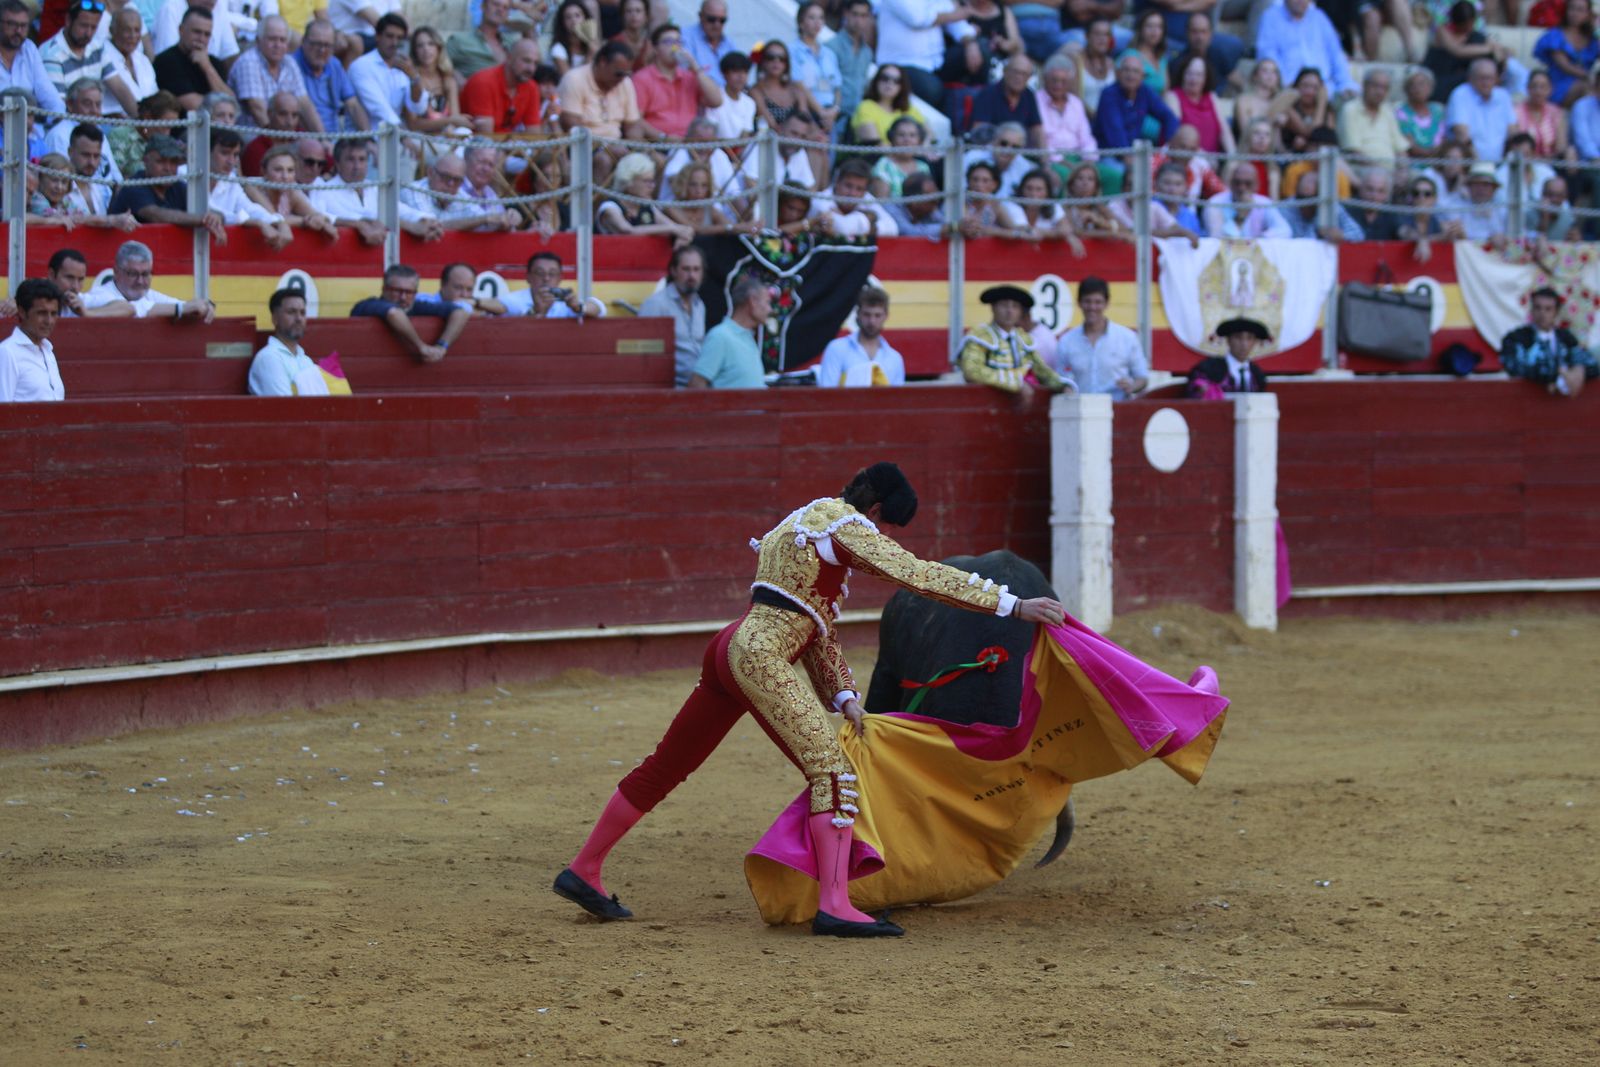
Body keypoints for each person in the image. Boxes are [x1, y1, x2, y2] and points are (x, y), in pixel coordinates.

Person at [553, 462, 1068, 935]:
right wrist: (1010, 604)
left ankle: (585, 869)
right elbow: (917, 575)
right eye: (885, 527)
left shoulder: (797, 525)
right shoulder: (847, 528)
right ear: (876, 512)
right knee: (835, 773)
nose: (882, 537)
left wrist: (842, 693)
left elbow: (809, 623)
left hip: (734, 645)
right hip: (760, 655)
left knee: (665, 766)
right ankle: (836, 905)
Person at [311, 137, 441, 244]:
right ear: (337, 164)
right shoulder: (324, 189)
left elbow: (403, 211)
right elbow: (322, 217)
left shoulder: (375, 189)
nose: (357, 166)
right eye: (350, 160)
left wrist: (425, 220)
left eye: (362, 160)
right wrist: (360, 224)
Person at [106, 134, 227, 242]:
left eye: (173, 162)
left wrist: (215, 217)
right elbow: (156, 214)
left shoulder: (178, 186)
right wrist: (204, 219)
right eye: (161, 161)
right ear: (145, 160)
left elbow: (212, 211)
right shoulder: (133, 186)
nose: (168, 168)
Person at [959, 284, 1071, 394]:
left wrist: (1063, 386)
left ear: (1020, 312)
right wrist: (1016, 384)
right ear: (993, 308)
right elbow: (972, 371)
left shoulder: (1024, 340)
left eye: (1015, 306)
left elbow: (1042, 371)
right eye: (1004, 305)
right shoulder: (979, 336)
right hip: (986, 405)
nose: (1009, 311)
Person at [350, 263, 471, 364]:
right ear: (384, 289)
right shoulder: (368, 305)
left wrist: (442, 346)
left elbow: (460, 312)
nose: (403, 297)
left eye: (409, 292)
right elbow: (393, 313)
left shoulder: (416, 305)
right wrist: (421, 346)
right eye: (397, 291)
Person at [558, 40, 642, 183]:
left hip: (618, 146)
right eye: (618, 73)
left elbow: (633, 125)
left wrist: (634, 149)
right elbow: (573, 127)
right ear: (602, 62)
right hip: (583, 148)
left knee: (651, 161)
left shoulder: (625, 83)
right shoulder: (574, 79)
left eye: (626, 74)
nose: (622, 79)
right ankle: (599, 205)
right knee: (604, 161)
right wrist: (607, 147)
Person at [1052, 276, 1146, 398]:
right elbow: (1060, 379)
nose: (1092, 307)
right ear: (1079, 303)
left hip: (1117, 409)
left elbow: (1142, 377)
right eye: (1088, 301)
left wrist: (1132, 386)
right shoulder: (1066, 341)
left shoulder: (1127, 338)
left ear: (1106, 303)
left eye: (1098, 302)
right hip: (1080, 410)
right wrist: (1065, 388)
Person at [874, 0, 976, 112]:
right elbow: (917, 19)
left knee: (980, 50)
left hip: (936, 62)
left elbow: (959, 26)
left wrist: (971, 43)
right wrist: (956, 14)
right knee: (932, 89)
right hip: (901, 65)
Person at [228, 14, 323, 130]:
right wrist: (279, 142)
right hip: (253, 137)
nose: (277, 45)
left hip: (283, 135)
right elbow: (258, 110)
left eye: (282, 40)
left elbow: (305, 105)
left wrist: (323, 138)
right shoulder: (248, 62)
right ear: (258, 41)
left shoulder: (290, 63)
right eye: (272, 39)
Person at [81, 239, 215, 320]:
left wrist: (206, 305)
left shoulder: (149, 295)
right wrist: (182, 309)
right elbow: (133, 309)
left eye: (146, 274)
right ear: (116, 272)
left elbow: (185, 305)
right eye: (133, 274)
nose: (140, 281)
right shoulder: (100, 295)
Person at [1499, 288, 1597, 397]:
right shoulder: (1516, 338)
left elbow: (1591, 364)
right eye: (1538, 308)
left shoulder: (1565, 337)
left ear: (1556, 312)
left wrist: (1579, 370)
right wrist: (1559, 374)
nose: (1542, 313)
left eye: (1548, 309)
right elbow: (1514, 367)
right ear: (1531, 310)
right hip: (1527, 401)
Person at [633, 22, 723, 142]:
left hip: (692, 143)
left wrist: (696, 68)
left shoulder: (690, 76)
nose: (675, 47)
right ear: (655, 49)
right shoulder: (642, 78)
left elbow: (716, 101)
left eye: (678, 42)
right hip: (659, 145)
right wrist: (663, 137)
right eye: (669, 42)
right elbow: (635, 119)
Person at [206, 127, 293, 248]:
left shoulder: (230, 178)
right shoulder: (185, 175)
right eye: (225, 153)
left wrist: (278, 222)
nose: (231, 161)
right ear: (207, 152)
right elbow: (209, 211)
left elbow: (249, 208)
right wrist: (257, 223)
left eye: (235, 155)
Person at [1254, 0, 1355, 99]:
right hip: (1290, 89)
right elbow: (1268, 55)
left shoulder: (1319, 17)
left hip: (1325, 88)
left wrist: (1346, 84)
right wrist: (1284, 84)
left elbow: (1336, 55)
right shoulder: (1271, 17)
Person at [639, 245, 707, 388]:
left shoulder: (699, 304)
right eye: (686, 269)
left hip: (699, 386)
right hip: (670, 389)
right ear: (673, 271)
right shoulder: (656, 303)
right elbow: (644, 355)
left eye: (696, 269)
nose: (692, 276)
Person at [687, 275, 769, 389]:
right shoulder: (720, 336)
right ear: (753, 301)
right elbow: (696, 386)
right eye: (767, 302)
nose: (770, 309)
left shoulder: (747, 337)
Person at [349, 12, 428, 129]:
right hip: (365, 139)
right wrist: (403, 137)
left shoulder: (404, 67)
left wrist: (413, 77)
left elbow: (418, 108)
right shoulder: (361, 65)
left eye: (399, 38)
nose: (395, 43)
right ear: (378, 36)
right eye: (390, 36)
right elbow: (379, 109)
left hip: (396, 136)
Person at [247, 287, 329, 396]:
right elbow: (286, 409)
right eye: (291, 312)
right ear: (275, 318)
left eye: (302, 313)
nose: (299, 318)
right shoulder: (269, 358)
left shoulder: (306, 360)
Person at [816, 287, 904, 388]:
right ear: (858, 314)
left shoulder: (895, 359)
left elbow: (897, 401)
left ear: (886, 316)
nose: (872, 321)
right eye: (867, 314)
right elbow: (827, 396)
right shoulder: (836, 349)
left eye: (877, 315)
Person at [294, 17, 369, 133]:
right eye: (316, 44)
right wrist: (323, 141)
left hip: (334, 136)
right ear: (303, 41)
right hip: (304, 137)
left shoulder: (334, 64)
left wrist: (368, 137)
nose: (322, 50)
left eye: (327, 45)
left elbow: (353, 105)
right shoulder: (291, 65)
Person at [1092, 52, 1179, 151]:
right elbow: (1116, 133)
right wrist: (1130, 159)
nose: (1131, 75)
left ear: (1142, 76)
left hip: (1133, 151)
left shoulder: (1145, 91)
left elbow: (1168, 116)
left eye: (1135, 71)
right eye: (1126, 70)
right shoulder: (1109, 94)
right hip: (1108, 153)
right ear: (1118, 74)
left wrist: (1169, 143)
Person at [248, 143, 339, 236]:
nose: (285, 176)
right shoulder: (251, 187)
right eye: (278, 170)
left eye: (290, 170)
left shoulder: (291, 191)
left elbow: (316, 214)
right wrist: (305, 221)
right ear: (264, 171)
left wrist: (322, 221)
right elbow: (273, 219)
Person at [153, 5, 231, 111]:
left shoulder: (215, 63)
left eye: (207, 34)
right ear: (181, 30)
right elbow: (194, 106)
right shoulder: (166, 61)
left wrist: (207, 68)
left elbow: (232, 106)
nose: (201, 39)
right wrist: (222, 109)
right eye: (197, 32)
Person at [0, 279, 66, 403]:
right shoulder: (7, 353)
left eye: (54, 313)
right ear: (22, 312)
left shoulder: (48, 351)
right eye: (42, 313)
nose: (49, 321)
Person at [460, 36, 542, 133]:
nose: (531, 69)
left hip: (505, 144)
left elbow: (534, 135)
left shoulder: (531, 87)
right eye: (526, 61)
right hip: (471, 144)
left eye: (535, 63)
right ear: (509, 58)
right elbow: (485, 135)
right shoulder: (483, 82)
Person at [0, 0, 66, 113]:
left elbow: (49, 96)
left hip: (29, 123)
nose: (18, 31)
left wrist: (58, 118)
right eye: (12, 24)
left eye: (23, 25)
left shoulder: (29, 49)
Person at [1163, 51, 1233, 155]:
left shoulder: (1212, 97)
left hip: (1211, 161)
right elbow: (1176, 133)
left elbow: (1225, 132)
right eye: (1189, 73)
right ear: (1182, 75)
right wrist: (1202, 157)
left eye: (1199, 74)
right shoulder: (1173, 97)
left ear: (1206, 78)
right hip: (1183, 158)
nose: (1193, 79)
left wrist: (1233, 157)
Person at [809, 156, 899, 237]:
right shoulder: (820, 201)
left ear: (865, 191)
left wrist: (863, 222)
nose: (852, 193)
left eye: (859, 189)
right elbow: (842, 229)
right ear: (837, 182)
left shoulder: (866, 197)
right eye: (848, 186)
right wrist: (867, 218)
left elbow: (892, 228)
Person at [1447, 56, 1513, 162]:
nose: (1486, 83)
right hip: (1469, 162)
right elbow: (1461, 133)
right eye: (1482, 78)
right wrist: (1479, 163)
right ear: (1470, 78)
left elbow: (1513, 130)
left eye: (1490, 78)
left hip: (1502, 162)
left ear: (1497, 79)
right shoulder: (1460, 94)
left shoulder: (1503, 96)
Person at [39, 0, 106, 104]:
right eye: (83, 26)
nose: (88, 33)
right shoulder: (51, 55)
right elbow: (58, 110)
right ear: (68, 20)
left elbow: (120, 88)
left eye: (93, 27)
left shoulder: (97, 46)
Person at [503, 251, 607, 318]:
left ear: (560, 278)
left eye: (552, 274)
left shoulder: (566, 300)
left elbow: (599, 308)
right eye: (540, 273)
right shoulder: (514, 300)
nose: (546, 278)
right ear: (528, 277)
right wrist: (537, 312)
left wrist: (577, 307)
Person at [1533, 0, 1597, 107]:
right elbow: (1564, 65)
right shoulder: (1556, 35)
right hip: (1559, 86)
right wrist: (1590, 76)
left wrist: (1596, 29)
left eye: (1580, 10)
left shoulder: (1592, 39)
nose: (1575, 13)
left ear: (1588, 14)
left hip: (1588, 82)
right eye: (1572, 8)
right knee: (1586, 87)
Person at [790, 2, 841, 133]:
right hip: (808, 114)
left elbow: (837, 87)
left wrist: (834, 110)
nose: (817, 22)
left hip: (830, 115)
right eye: (812, 18)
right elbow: (798, 84)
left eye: (821, 18)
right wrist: (821, 112)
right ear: (801, 23)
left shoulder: (829, 54)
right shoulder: (792, 50)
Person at [1187, 317, 1270, 396]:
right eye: (1238, 337)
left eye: (1249, 338)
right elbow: (1196, 391)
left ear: (1255, 342)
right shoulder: (1208, 368)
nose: (1244, 344)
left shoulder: (1257, 374)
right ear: (1229, 340)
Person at [1204, 164, 1291, 239]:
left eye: (1247, 183)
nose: (1242, 188)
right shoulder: (1215, 203)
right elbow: (1217, 238)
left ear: (1256, 185)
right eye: (1237, 183)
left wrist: (1260, 239)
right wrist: (1240, 218)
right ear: (1230, 183)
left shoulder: (1264, 203)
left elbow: (1285, 231)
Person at [100, 6, 157, 118]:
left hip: (146, 123)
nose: (132, 36)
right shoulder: (102, 55)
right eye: (127, 30)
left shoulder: (142, 60)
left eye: (137, 30)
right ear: (112, 31)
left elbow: (154, 95)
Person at [852, 62, 926, 145]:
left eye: (896, 81)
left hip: (910, 156)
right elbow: (875, 143)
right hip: (876, 157)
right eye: (885, 78)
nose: (890, 83)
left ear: (902, 86)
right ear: (876, 81)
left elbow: (928, 134)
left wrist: (927, 150)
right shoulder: (866, 106)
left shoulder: (909, 109)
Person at [448, 0, 521, 80]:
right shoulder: (459, 40)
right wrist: (458, 80)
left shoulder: (513, 44)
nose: (500, 9)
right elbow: (440, 64)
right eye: (496, 4)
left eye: (505, 8)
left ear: (507, 15)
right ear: (483, 6)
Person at [827, 0, 874, 117]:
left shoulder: (867, 52)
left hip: (855, 116)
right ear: (846, 14)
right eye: (855, 14)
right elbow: (825, 84)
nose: (859, 21)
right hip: (832, 113)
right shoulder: (832, 46)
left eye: (863, 16)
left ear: (868, 18)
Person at [703, 50, 755, 139]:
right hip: (716, 149)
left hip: (741, 149)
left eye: (745, 72)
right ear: (724, 74)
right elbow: (711, 133)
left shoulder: (750, 103)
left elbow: (745, 133)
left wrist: (738, 151)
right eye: (736, 71)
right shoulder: (715, 98)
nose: (741, 76)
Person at [1397, 66, 1447, 159]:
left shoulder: (1438, 110)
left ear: (1431, 87)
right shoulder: (1401, 112)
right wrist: (1430, 155)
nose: (1417, 89)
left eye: (1422, 84)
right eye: (1413, 85)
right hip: (1414, 162)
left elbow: (1444, 138)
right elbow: (1408, 144)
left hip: (1439, 161)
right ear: (1406, 89)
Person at [681, 0, 734, 86]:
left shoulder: (729, 44)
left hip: (725, 96)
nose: (717, 24)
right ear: (700, 16)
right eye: (711, 19)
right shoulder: (685, 36)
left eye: (722, 20)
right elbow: (683, 71)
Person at [884, 170, 946, 237]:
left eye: (937, 196)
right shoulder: (892, 208)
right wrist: (950, 228)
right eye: (932, 200)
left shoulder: (930, 209)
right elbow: (909, 233)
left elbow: (944, 222)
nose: (937, 201)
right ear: (914, 201)